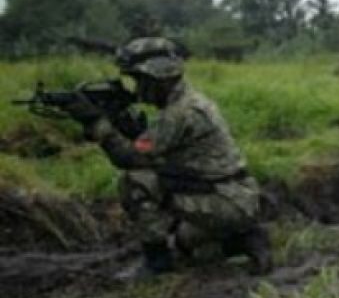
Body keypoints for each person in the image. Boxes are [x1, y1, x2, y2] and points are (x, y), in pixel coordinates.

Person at [70, 37, 271, 275]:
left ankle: (157, 262)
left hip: (225, 200)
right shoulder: (188, 102)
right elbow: (158, 151)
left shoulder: (179, 113)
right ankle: (242, 237)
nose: (137, 89)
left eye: (140, 80)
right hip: (234, 196)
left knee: (135, 181)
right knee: (185, 241)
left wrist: (98, 124)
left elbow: (129, 158)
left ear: (157, 79)